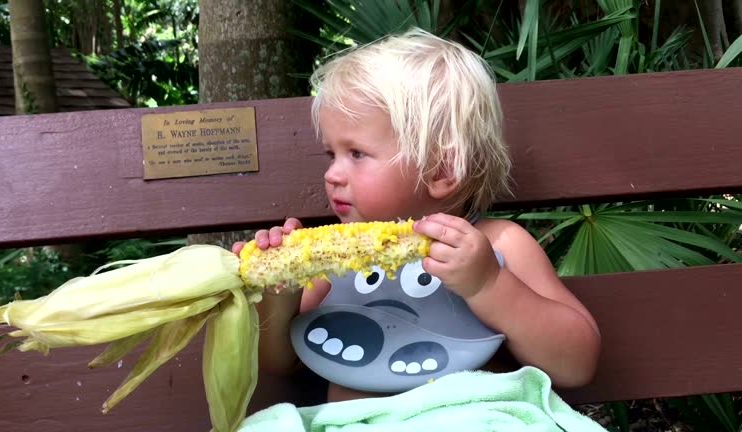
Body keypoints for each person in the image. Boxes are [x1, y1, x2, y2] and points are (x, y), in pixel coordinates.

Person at [231, 27, 600, 403]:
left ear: (441, 170)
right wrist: (281, 293)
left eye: (356, 153)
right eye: (332, 154)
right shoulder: (327, 267)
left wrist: (490, 286)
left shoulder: (499, 244)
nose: (332, 174)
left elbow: (577, 365)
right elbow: (283, 363)